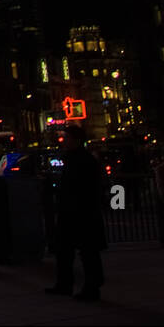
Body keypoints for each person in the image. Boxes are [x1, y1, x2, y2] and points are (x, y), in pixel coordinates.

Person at [46, 125, 106, 300]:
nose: (64, 141)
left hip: (80, 213)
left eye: (67, 137)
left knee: (85, 252)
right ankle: (69, 284)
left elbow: (87, 188)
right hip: (76, 212)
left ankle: (88, 287)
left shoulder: (82, 160)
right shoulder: (78, 159)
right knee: (71, 251)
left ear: (77, 140)